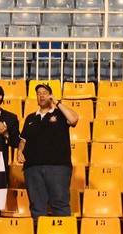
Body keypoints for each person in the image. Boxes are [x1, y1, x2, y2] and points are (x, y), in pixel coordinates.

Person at [17, 83, 79, 219]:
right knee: (37, 207)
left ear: (50, 96)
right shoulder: (30, 118)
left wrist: (57, 103)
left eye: (44, 92)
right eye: (38, 93)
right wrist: (20, 151)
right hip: (32, 168)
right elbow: (23, 140)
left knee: (60, 204)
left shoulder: (60, 114)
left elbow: (74, 119)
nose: (41, 95)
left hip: (57, 166)